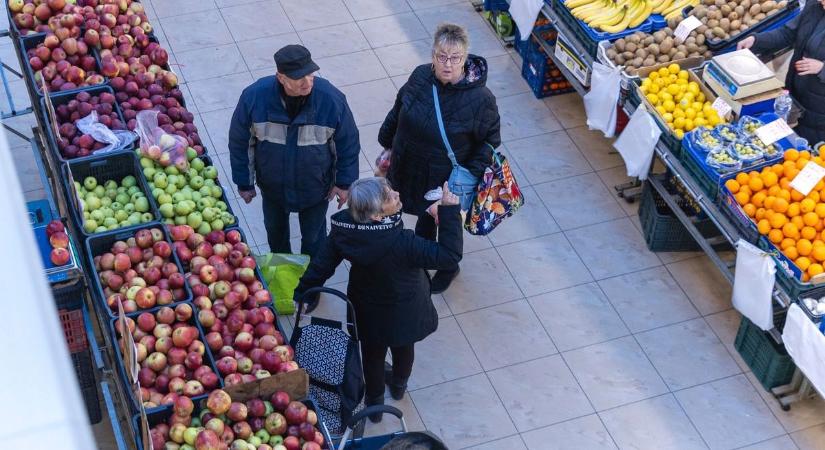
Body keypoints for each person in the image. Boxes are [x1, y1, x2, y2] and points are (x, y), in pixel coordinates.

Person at [294, 177, 463, 422]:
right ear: (376, 216)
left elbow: (322, 264)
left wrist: (303, 291)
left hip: (367, 309)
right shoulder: (404, 243)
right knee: (404, 350)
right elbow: (449, 255)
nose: (397, 194)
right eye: (389, 197)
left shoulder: (344, 231)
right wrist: (448, 211)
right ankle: (398, 386)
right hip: (406, 311)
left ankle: (374, 406)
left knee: (372, 356)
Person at [228, 44, 360, 310]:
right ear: (281, 78)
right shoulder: (254, 98)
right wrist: (244, 181)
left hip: (315, 188)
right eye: (299, 77)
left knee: (314, 240)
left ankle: (310, 287)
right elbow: (240, 142)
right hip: (273, 188)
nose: (308, 81)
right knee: (276, 236)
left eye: (311, 74)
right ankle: (286, 281)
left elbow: (348, 144)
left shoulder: (331, 100)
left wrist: (344, 183)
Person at [378, 22, 501, 294]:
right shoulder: (421, 76)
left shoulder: (481, 99)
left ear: (465, 58)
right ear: (432, 55)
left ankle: (448, 266)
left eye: (455, 58)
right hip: (409, 164)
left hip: (443, 179)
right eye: (441, 56)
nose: (447, 64)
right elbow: (400, 107)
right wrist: (387, 142)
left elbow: (489, 142)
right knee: (421, 218)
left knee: (444, 221)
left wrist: (462, 183)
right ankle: (420, 262)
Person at [738, 0, 825, 144]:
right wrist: (756, 40)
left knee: (807, 150)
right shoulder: (814, 6)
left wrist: (821, 68)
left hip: (819, 109)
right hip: (794, 94)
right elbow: (787, 33)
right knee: (785, 142)